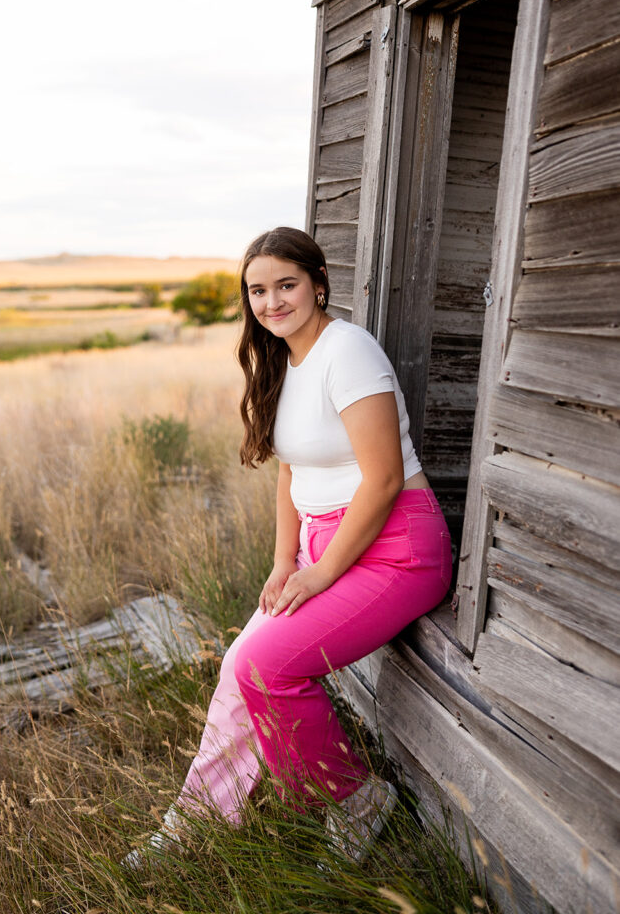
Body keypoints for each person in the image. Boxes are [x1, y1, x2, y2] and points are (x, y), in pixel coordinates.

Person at [123, 227, 452, 871]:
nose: (272, 302)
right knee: (237, 668)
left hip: (398, 548)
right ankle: (194, 819)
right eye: (257, 291)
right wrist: (285, 563)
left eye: (286, 285)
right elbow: (289, 474)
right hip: (321, 543)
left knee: (268, 667)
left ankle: (354, 798)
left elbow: (384, 479)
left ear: (318, 282)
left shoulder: (348, 352)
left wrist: (322, 572)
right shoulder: (284, 360)